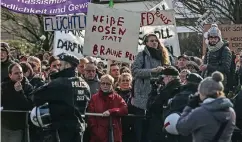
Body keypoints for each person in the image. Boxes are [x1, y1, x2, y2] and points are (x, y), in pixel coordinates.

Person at [32, 53, 91, 142]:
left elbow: (36, 96)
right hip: (79, 128)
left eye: (60, 64)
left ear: (67, 65)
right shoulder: (85, 84)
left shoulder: (60, 83)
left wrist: (39, 81)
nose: (58, 67)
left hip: (62, 130)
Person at [131, 33, 170, 142]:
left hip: (158, 96)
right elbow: (135, 71)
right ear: (146, 43)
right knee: (142, 128)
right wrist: (151, 71)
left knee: (154, 129)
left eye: (155, 40)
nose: (154, 42)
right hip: (143, 97)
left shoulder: (163, 56)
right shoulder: (141, 55)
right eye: (151, 41)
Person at [177, 71, 236, 142]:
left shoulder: (201, 112)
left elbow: (181, 128)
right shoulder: (231, 112)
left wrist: (189, 107)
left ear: (203, 92)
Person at [88, 74, 128, 142]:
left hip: (113, 133)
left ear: (112, 85)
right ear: (100, 84)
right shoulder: (94, 98)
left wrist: (111, 111)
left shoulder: (117, 97)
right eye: (103, 83)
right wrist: (95, 129)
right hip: (98, 135)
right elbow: (91, 116)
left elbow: (124, 109)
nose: (105, 85)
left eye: (108, 84)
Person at [146, 66, 182, 142]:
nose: (162, 80)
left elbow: (152, 107)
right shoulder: (181, 88)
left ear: (169, 77)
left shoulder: (167, 90)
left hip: (162, 126)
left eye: (163, 77)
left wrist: (154, 92)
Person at [1, 63, 33, 142]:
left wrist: (20, 92)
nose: (19, 75)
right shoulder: (4, 86)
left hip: (18, 127)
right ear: (10, 75)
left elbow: (29, 105)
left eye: (21, 72)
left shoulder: (28, 86)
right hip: (3, 125)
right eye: (16, 73)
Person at [200, 24, 232, 89]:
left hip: (219, 82)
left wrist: (208, 67)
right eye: (211, 38)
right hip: (208, 80)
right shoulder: (208, 49)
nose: (213, 40)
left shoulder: (225, 50)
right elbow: (206, 65)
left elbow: (225, 68)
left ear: (219, 38)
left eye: (215, 38)